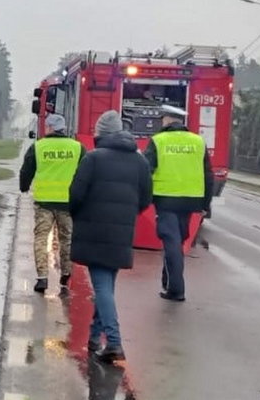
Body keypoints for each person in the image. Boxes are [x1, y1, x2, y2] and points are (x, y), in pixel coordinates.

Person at [69, 110, 152, 363]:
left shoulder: (93, 158)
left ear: (101, 133)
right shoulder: (139, 161)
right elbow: (146, 198)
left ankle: (114, 342)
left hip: (94, 232)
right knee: (106, 285)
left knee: (103, 287)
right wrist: (127, 214)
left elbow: (76, 195)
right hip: (121, 232)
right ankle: (94, 337)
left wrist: (81, 216)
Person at [144, 105, 213, 302]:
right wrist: (205, 204)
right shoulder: (198, 142)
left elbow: (146, 170)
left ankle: (176, 289)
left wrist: (144, 197)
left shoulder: (158, 141)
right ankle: (168, 281)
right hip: (190, 201)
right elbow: (208, 175)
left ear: (166, 120)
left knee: (171, 242)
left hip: (166, 199)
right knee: (177, 241)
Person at [20, 113, 86, 295]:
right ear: (63, 129)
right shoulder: (78, 148)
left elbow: (27, 169)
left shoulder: (38, 147)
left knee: (41, 238)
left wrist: (24, 187)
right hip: (68, 203)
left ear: (49, 128)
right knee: (67, 239)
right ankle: (65, 275)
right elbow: (85, 172)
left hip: (44, 203)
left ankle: (42, 277)